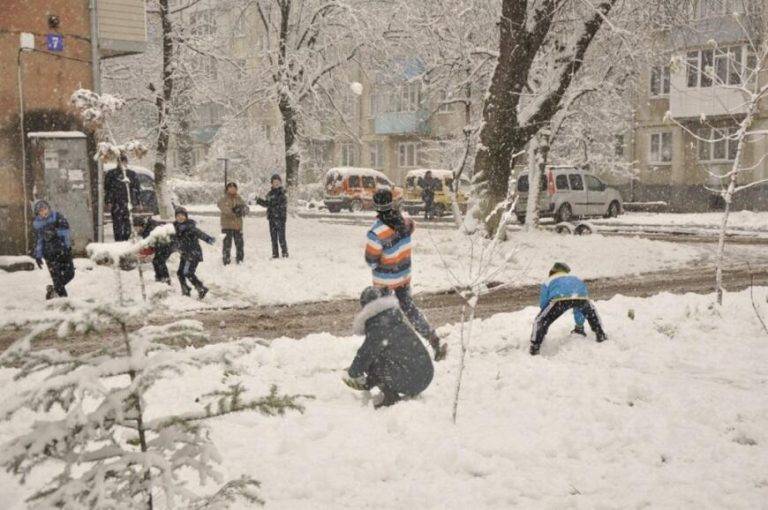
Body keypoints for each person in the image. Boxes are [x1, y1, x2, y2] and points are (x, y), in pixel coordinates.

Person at [365, 188, 447, 361]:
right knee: (410, 311)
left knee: (383, 318)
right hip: (403, 276)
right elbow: (410, 227)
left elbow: (371, 261)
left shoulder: (376, 232)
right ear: (391, 202)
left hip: (385, 281)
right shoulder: (405, 222)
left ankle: (387, 355)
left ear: (375, 206)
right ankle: (432, 338)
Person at [343, 287, 434, 408]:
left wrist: (352, 373)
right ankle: (371, 383)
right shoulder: (392, 318)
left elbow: (365, 354)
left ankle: (390, 397)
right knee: (381, 355)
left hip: (413, 380)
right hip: (425, 374)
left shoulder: (378, 325)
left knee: (374, 360)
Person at [530, 262, 608, 356]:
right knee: (591, 314)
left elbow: (544, 302)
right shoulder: (575, 279)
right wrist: (579, 325)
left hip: (559, 300)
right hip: (581, 298)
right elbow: (579, 307)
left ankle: (535, 346)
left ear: (553, 271)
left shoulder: (549, 280)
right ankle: (600, 333)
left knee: (540, 320)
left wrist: (545, 316)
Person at [32, 200, 75, 299]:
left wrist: (55, 232)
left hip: (63, 251)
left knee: (70, 274)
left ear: (49, 208)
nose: (44, 212)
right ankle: (61, 299)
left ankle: (54, 290)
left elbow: (66, 231)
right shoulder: (38, 225)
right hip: (50, 256)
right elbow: (39, 241)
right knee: (57, 278)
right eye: (41, 211)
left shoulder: (57, 217)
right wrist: (38, 256)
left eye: (45, 209)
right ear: (38, 213)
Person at [172, 207, 215, 298]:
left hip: (193, 253)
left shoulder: (190, 226)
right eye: (178, 216)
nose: (180, 218)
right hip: (185, 254)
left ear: (186, 216)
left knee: (187, 272)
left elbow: (199, 233)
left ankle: (201, 288)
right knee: (180, 273)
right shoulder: (175, 227)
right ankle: (185, 289)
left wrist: (208, 239)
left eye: (182, 216)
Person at [105, 153, 141, 241]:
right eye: (120, 162)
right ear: (117, 162)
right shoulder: (111, 174)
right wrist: (109, 201)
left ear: (127, 162)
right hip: (116, 203)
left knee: (127, 225)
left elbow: (136, 189)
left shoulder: (131, 174)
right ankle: (118, 242)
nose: (122, 164)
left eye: (124, 162)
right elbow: (108, 189)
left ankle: (126, 241)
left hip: (128, 204)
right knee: (117, 225)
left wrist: (138, 202)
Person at [133, 216, 174, 284]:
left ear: (141, 225)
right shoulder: (146, 228)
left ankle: (166, 279)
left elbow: (151, 245)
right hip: (162, 244)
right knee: (156, 260)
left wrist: (143, 253)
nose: (135, 230)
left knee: (160, 261)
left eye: (136, 228)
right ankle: (159, 277)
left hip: (167, 244)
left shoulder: (149, 230)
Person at [256, 174, 288, 259]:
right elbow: (267, 204)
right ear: (272, 183)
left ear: (280, 183)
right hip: (272, 219)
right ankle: (275, 254)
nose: (276, 183)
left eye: (278, 182)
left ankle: (284, 253)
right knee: (273, 238)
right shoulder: (269, 194)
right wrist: (258, 200)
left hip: (280, 219)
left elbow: (279, 204)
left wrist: (273, 205)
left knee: (281, 237)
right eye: (274, 182)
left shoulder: (282, 193)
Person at [217, 182, 249, 265]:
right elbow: (224, 209)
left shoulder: (239, 198)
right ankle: (226, 260)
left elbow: (246, 208)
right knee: (227, 244)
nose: (232, 189)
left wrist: (244, 210)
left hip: (238, 225)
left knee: (239, 244)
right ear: (227, 189)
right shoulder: (223, 199)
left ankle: (240, 259)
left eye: (234, 188)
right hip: (226, 225)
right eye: (230, 188)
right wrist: (235, 212)